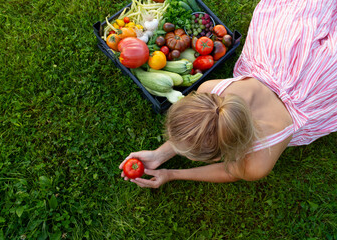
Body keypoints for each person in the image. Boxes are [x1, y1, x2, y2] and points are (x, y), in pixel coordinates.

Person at [119, 0, 337, 188]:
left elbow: (230, 171)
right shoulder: (210, 90)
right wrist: (160, 155)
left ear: (221, 154)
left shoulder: (257, 163)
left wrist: (172, 174)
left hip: (322, 87)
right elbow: (203, 121)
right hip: (282, 58)